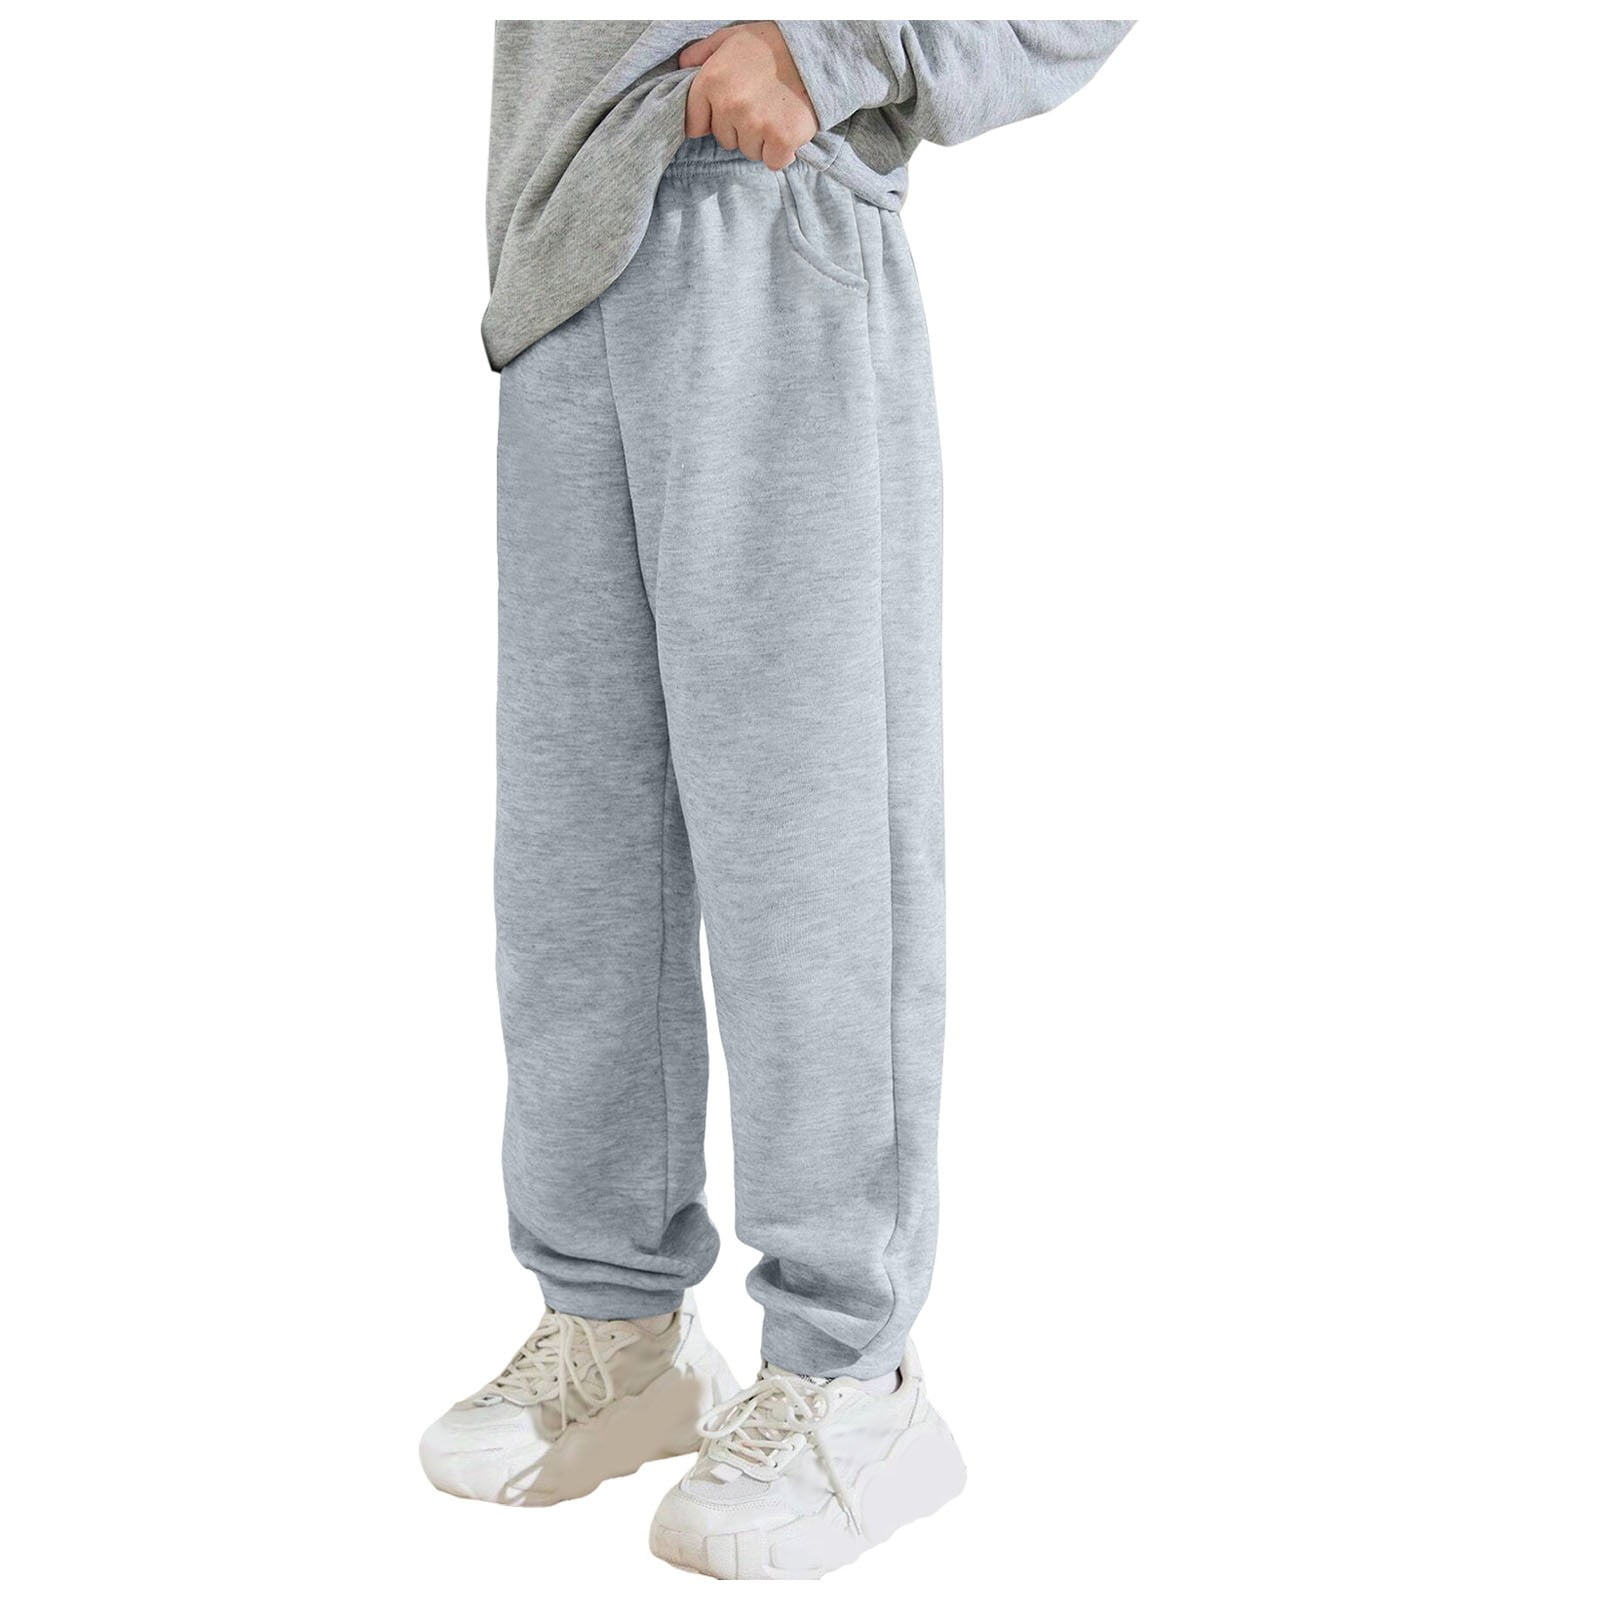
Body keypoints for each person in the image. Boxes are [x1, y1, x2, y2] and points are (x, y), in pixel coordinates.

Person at [420, 20, 1133, 1579]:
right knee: (576, 854)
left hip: (768, 217)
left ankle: (852, 1374)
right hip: (559, 263)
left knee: (805, 841)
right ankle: (617, 1324)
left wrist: (831, 47)